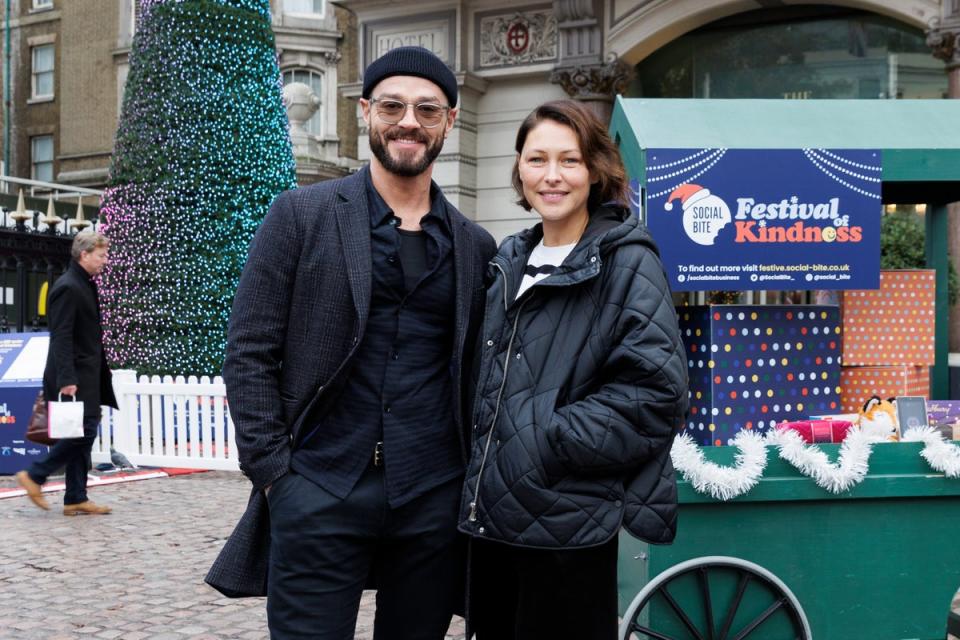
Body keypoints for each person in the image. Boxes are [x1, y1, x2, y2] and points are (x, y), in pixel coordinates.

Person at [205, 46, 497, 640]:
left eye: (427, 109)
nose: (408, 121)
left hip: (431, 497)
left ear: (450, 120)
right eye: (392, 106)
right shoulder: (300, 215)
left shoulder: (475, 246)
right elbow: (249, 349)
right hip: (318, 488)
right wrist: (275, 476)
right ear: (365, 112)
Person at [460, 100, 689, 639]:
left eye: (569, 160)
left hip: (567, 522)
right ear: (519, 168)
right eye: (537, 159)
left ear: (594, 169)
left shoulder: (626, 261)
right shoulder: (508, 260)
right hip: (491, 523)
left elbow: (656, 392)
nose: (552, 175)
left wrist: (546, 438)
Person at [16, 231, 118, 516]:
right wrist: (67, 379)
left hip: (87, 374)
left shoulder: (83, 283)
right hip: (73, 376)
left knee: (82, 433)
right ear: (84, 254)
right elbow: (60, 336)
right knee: (82, 434)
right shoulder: (68, 286)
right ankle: (35, 475)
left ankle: (75, 497)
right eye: (101, 255)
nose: (105, 261)